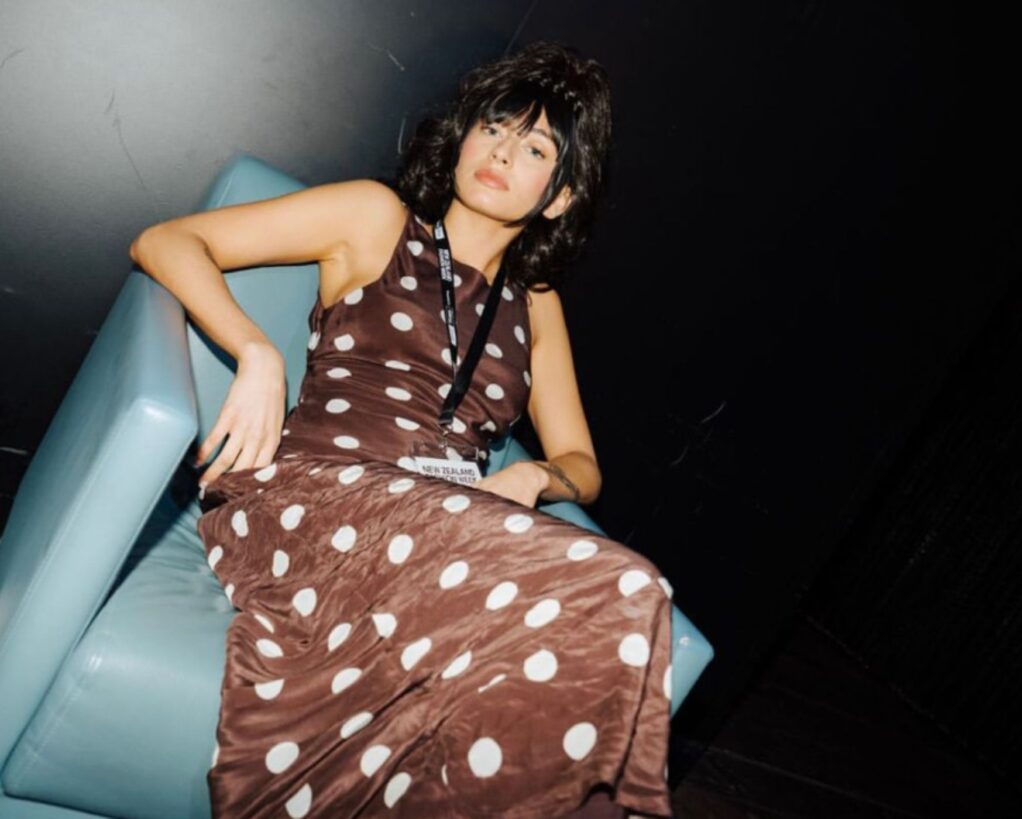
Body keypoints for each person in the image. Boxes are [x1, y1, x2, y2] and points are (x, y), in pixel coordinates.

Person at [130, 41, 674, 819]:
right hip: (317, 498)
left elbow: (582, 462)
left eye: (534, 149)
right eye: (493, 128)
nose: (500, 153)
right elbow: (167, 240)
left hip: (449, 526)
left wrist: (535, 475)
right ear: (463, 135)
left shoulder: (536, 305)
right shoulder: (376, 218)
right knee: (625, 586)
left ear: (558, 198)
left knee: (628, 598)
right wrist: (257, 353)